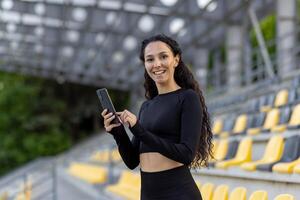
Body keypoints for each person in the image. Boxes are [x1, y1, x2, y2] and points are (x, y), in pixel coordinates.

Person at [101, 34, 213, 200]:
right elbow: (132, 161)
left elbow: (186, 154)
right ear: (145, 64)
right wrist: (117, 131)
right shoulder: (146, 106)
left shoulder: (187, 98)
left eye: (163, 56)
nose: (157, 64)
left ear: (176, 60)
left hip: (179, 193)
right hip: (148, 193)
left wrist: (138, 129)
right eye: (150, 59)